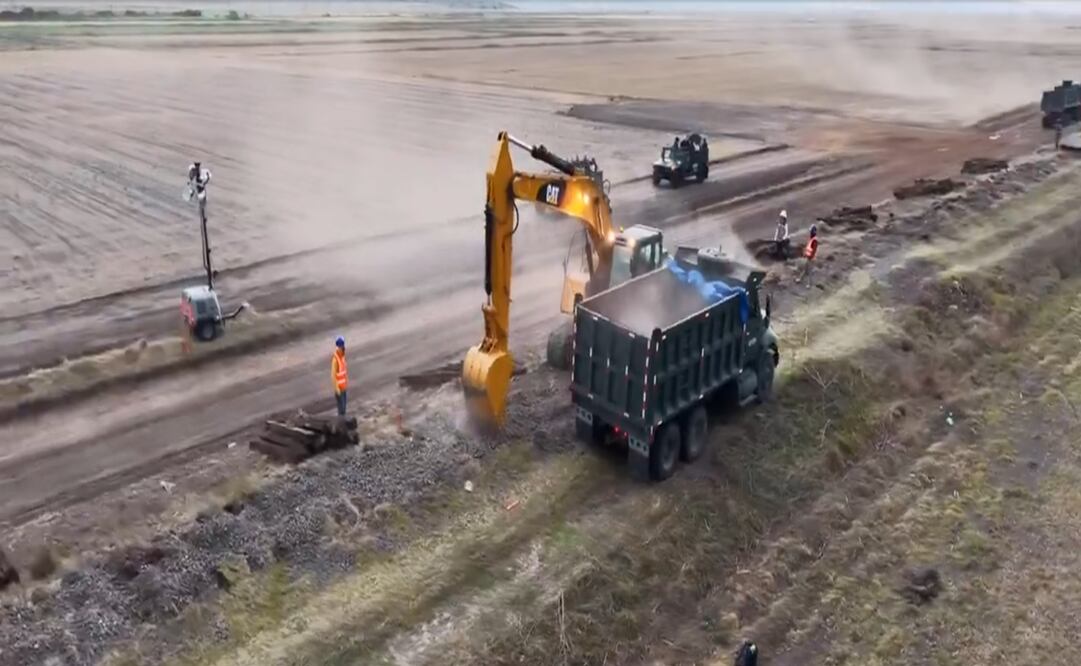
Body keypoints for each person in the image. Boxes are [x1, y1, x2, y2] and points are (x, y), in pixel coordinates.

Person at [331, 336, 348, 416]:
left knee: (343, 409)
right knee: (341, 410)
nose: (343, 348)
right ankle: (340, 422)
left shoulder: (342, 357)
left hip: (344, 388)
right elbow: (333, 375)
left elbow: (344, 371)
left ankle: (342, 421)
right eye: (341, 346)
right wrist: (336, 388)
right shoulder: (335, 359)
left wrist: (346, 382)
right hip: (339, 389)